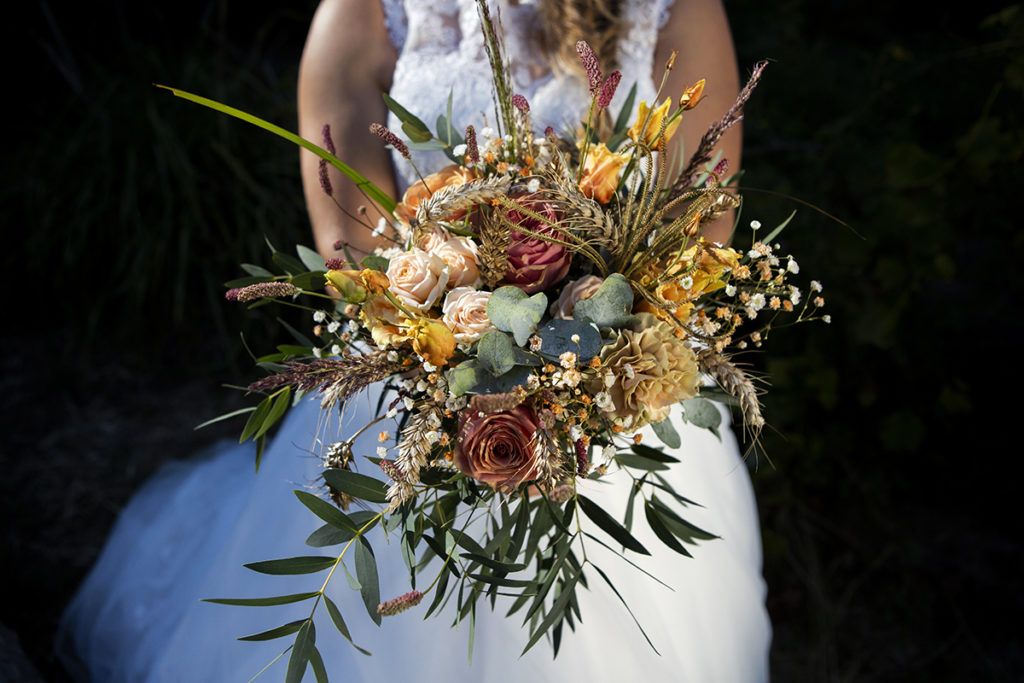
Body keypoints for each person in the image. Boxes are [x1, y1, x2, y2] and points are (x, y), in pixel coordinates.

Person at [58, 1, 770, 680]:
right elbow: (352, 253)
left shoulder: (672, 7)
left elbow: (700, 228)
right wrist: (467, 350)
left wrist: (576, 369)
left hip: (615, 390)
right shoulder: (370, 7)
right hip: (413, 380)